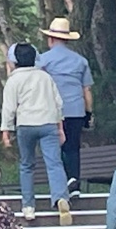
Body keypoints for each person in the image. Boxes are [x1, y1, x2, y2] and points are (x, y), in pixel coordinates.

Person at [1, 43, 73, 224]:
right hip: (48, 123)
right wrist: (60, 128)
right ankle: (61, 198)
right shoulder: (45, 77)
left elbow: (8, 108)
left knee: (26, 165)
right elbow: (58, 103)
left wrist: (6, 132)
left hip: (25, 125)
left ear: (15, 60)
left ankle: (28, 206)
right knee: (54, 163)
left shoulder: (13, 80)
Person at [37, 17, 94, 200]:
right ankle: (74, 181)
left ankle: (60, 185)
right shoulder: (81, 61)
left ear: (51, 39)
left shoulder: (43, 60)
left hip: (52, 110)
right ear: (67, 40)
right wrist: (88, 113)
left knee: (54, 148)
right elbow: (87, 90)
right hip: (76, 110)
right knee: (73, 147)